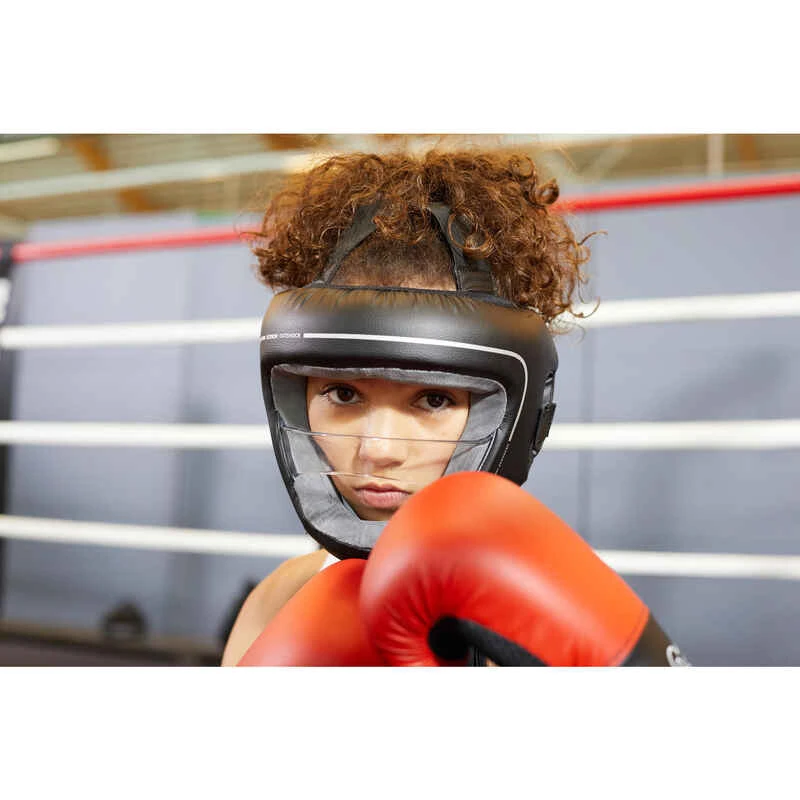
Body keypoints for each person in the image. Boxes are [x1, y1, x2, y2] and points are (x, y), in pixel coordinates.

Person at [220, 149, 591, 666]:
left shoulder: (560, 624)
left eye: (433, 399)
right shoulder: (277, 604)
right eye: (343, 394)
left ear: (518, 417)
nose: (377, 451)